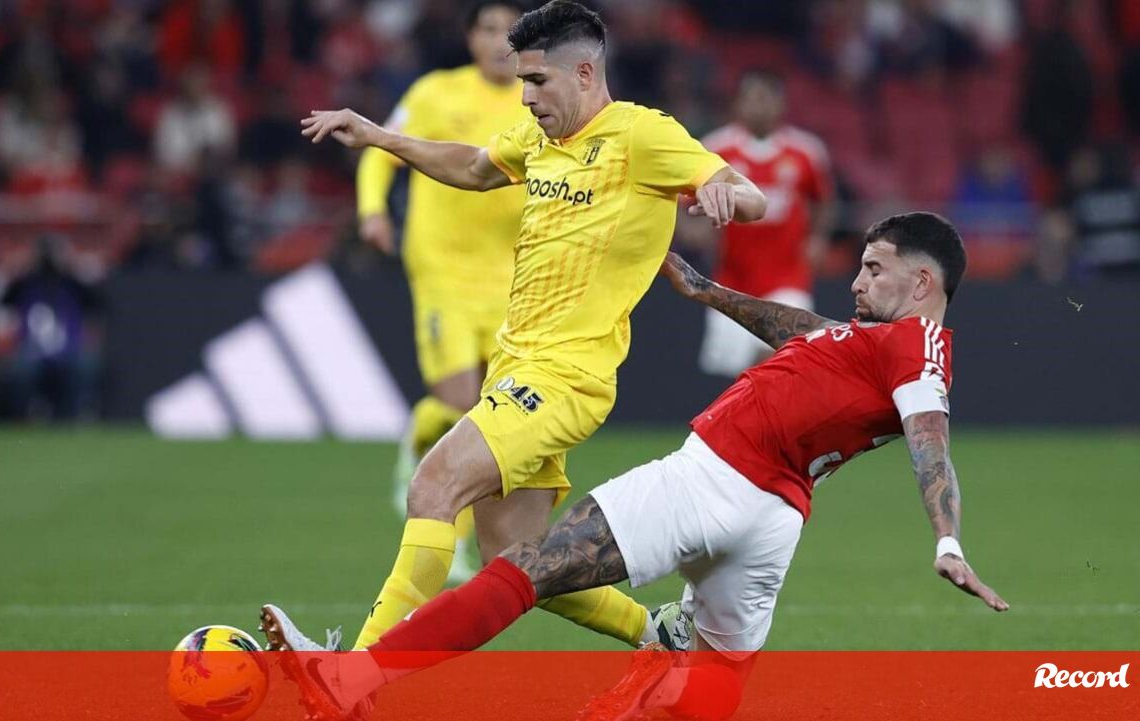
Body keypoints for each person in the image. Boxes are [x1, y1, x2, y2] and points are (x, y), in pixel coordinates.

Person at [261, 212, 1009, 721]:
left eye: (874, 268)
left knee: (525, 567)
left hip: (707, 480)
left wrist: (947, 538)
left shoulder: (918, 350)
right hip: (774, 520)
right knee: (710, 679)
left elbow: (930, 440)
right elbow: (808, 330)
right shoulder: (875, 342)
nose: (857, 281)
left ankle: (352, 679)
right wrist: (707, 291)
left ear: (923, 283)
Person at [296, 0, 766, 656]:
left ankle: (352, 672)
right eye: (522, 81)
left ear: (583, 73)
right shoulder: (538, 139)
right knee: (514, 557)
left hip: (566, 376)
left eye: (538, 81)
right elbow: (471, 167)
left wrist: (724, 193)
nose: (525, 97)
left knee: (433, 485)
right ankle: (661, 633)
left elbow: (751, 195)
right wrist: (380, 137)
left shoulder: (642, 135)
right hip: (515, 367)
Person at [355, 0, 531, 583]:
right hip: (443, 272)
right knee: (461, 404)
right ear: (470, 38)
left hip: (513, 277)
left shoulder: (539, 102)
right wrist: (373, 210)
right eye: (489, 29)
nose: (500, 41)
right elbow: (381, 148)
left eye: (511, 31)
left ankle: (424, 443)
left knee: (495, 413)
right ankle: (449, 537)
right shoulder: (435, 93)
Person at [696, 69, 836, 377]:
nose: (758, 106)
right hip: (732, 279)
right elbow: (687, 201)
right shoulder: (716, 148)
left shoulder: (805, 151)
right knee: (735, 372)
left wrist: (818, 238)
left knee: (779, 358)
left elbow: (824, 200)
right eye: (751, 98)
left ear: (780, 103)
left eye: (766, 98)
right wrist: (698, 233)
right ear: (738, 103)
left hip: (787, 276)